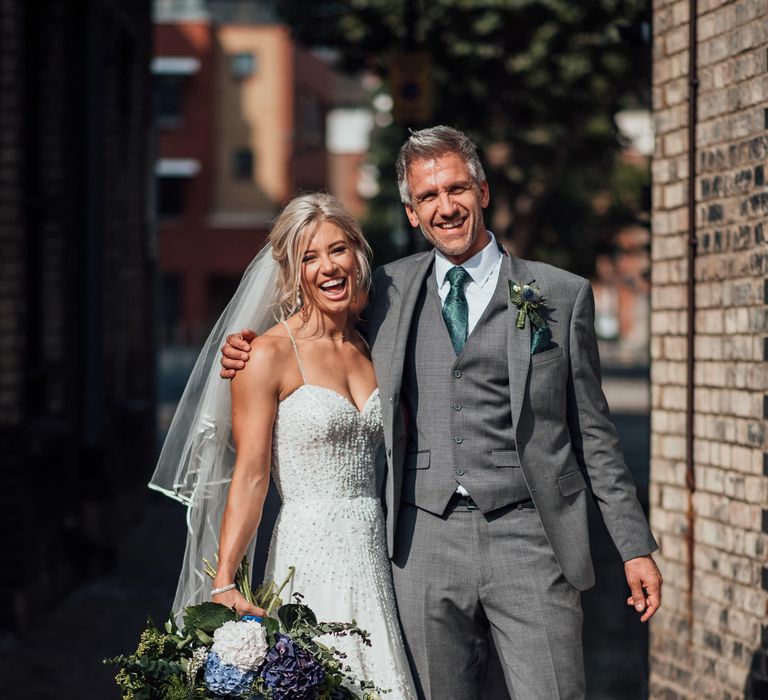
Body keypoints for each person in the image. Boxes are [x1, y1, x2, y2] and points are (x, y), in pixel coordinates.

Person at [221, 126, 662, 700]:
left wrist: (634, 545)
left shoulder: (559, 294)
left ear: (482, 192)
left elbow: (595, 435)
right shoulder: (384, 292)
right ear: (411, 212)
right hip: (419, 544)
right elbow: (318, 319)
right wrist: (248, 350)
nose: (445, 207)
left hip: (531, 536)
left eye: (456, 189)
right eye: (428, 197)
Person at [153, 193, 416, 699]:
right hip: (308, 553)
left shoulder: (373, 344)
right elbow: (250, 475)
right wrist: (225, 579)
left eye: (337, 250)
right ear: (291, 272)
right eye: (309, 257)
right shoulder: (266, 354)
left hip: (374, 551)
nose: (328, 267)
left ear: (358, 254)